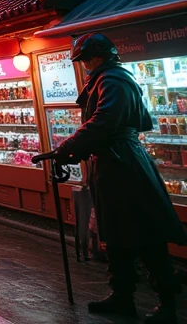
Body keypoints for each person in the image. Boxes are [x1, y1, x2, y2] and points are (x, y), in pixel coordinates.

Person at [52, 33, 187, 322]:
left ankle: (166, 302)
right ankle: (122, 295)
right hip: (113, 162)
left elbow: (103, 122)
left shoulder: (112, 80)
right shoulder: (108, 79)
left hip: (123, 164)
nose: (85, 64)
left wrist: (68, 147)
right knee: (116, 233)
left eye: (86, 58)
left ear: (98, 56)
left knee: (143, 231)